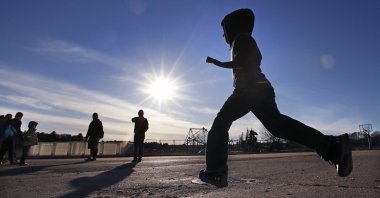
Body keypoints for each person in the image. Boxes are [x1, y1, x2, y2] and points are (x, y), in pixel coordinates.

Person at [199, 8, 353, 187]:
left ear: (232, 27)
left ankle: (216, 172)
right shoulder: (242, 40)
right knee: (279, 127)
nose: (222, 35)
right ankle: (333, 148)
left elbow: (244, 60)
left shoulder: (242, 38)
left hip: (249, 89)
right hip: (259, 89)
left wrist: (217, 63)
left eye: (223, 30)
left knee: (221, 123)